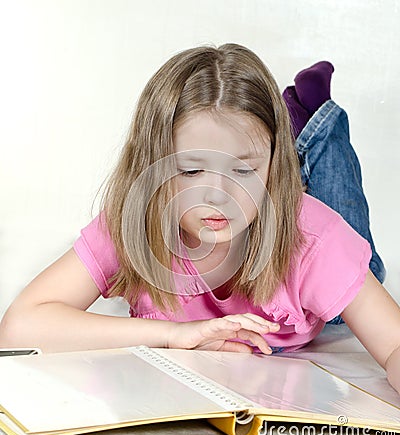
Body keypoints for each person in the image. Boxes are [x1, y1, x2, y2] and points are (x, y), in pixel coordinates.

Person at [0, 44, 399, 394]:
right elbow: (21, 326)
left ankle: (315, 119)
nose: (218, 197)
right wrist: (174, 335)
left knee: (361, 259)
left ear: (273, 166)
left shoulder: (314, 239)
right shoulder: (133, 219)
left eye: (243, 170)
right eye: (191, 171)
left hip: (308, 256)